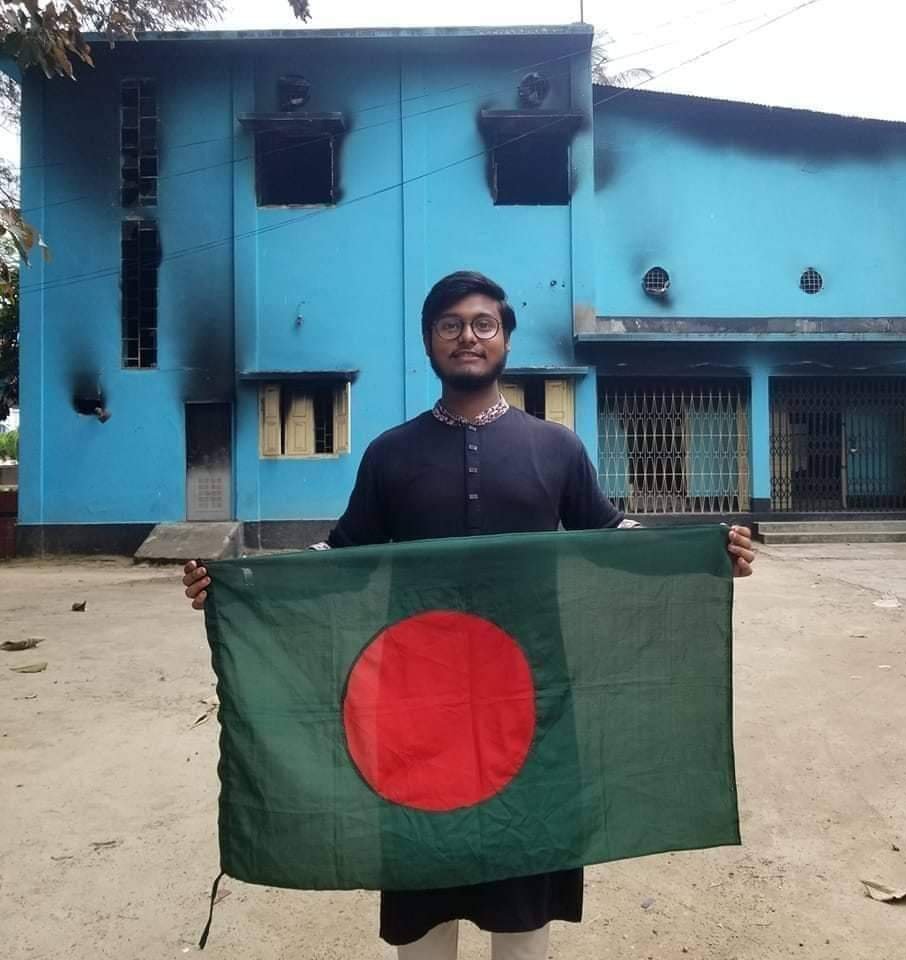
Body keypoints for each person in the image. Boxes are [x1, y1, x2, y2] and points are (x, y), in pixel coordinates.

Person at [183, 271, 755, 960]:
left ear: (506, 339)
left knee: (525, 880)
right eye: (450, 325)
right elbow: (342, 555)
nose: (468, 337)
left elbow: (608, 535)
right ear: (429, 341)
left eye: (484, 323)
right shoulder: (391, 453)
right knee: (422, 878)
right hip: (415, 702)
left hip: (530, 696)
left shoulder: (557, 448)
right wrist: (239, 584)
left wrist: (702, 555)